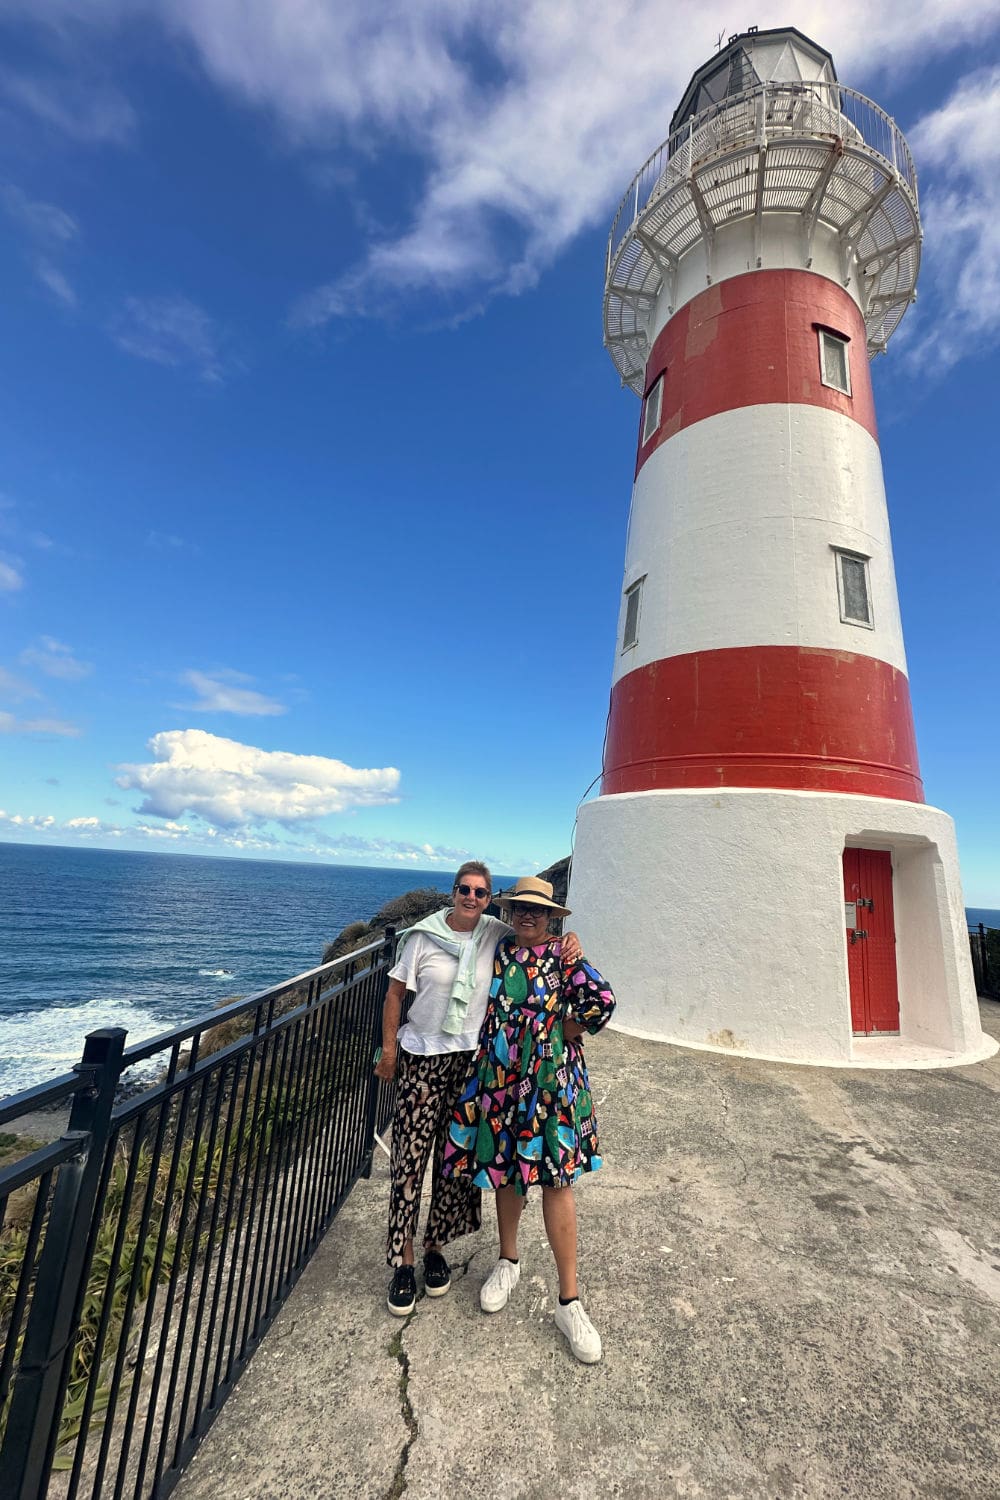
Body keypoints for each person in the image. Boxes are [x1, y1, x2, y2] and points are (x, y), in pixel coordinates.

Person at [373, 863, 581, 1317]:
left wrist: (572, 943)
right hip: (422, 1061)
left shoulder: (496, 935)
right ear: (453, 892)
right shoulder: (422, 938)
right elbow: (394, 995)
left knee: (454, 1164)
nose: (471, 897)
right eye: (464, 889)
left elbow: (536, 936)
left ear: (489, 900)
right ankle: (403, 1260)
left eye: (481, 892)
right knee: (409, 1163)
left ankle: (435, 1249)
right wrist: (388, 1051)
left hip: (473, 1063)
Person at [442, 876, 615, 1363]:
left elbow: (603, 1004)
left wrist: (563, 1029)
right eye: (520, 908)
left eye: (537, 911)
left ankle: (569, 1301)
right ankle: (508, 1261)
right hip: (501, 1080)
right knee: (507, 1174)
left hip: (553, 1084)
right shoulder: (499, 949)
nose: (527, 916)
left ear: (551, 918)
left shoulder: (564, 956)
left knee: (557, 1183)